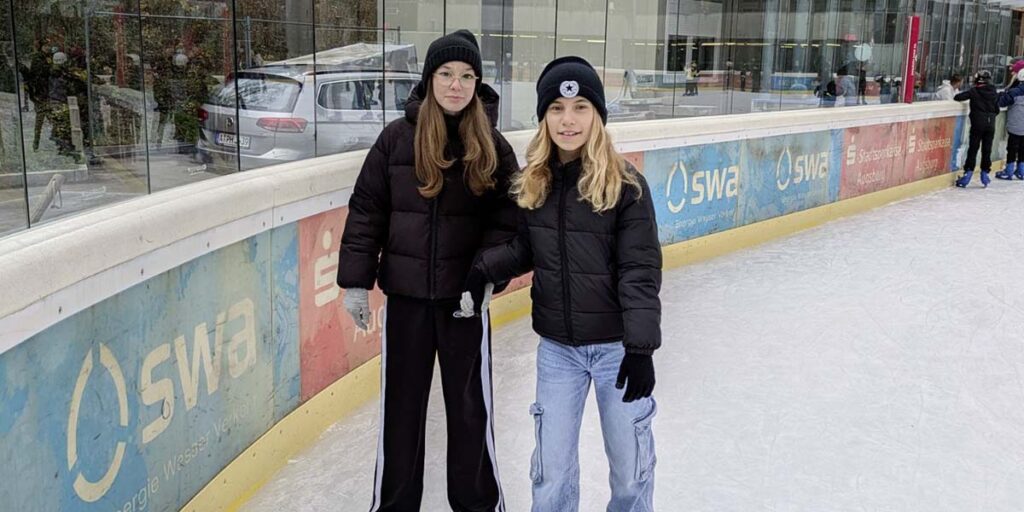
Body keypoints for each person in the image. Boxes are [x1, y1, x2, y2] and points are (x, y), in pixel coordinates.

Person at [461, 56, 662, 512]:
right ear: (543, 117)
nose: (568, 121)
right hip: (558, 352)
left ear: (598, 116)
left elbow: (640, 271)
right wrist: (481, 270)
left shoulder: (626, 186)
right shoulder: (535, 182)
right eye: (555, 109)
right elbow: (525, 250)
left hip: (617, 351)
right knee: (550, 478)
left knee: (631, 475)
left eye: (580, 108)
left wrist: (640, 348)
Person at [335, 29, 520, 512]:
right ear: (430, 78)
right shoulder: (397, 139)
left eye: (466, 76)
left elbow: (510, 225)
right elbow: (367, 211)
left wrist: (484, 278)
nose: (456, 85)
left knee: (468, 413)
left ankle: (479, 505)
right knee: (401, 414)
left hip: (464, 304)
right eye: (446, 74)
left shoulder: (494, 148)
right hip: (408, 303)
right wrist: (356, 280)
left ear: (477, 83)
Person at [954, 70, 1000, 188]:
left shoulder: (974, 91)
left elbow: (958, 97)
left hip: (977, 124)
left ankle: (968, 173)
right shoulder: (993, 91)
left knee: (973, 148)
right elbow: (997, 109)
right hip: (990, 124)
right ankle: (985, 174)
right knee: (987, 149)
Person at [996, 69, 1024, 180]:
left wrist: (1002, 95)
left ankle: (1009, 170)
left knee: (1012, 148)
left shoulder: (1014, 92)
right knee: (1023, 149)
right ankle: (1022, 171)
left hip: (1015, 126)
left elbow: (1001, 103)